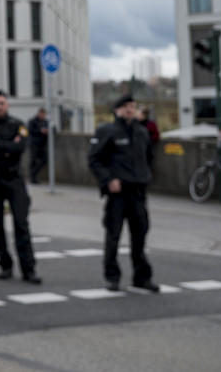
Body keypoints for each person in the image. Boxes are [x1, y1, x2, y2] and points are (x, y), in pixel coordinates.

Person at [87, 94, 159, 293]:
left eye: (132, 106)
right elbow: (94, 160)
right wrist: (108, 180)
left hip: (137, 191)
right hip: (118, 193)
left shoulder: (141, 132)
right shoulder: (107, 131)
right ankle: (112, 276)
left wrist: (145, 177)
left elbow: (149, 157)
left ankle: (142, 277)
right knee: (113, 236)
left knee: (140, 236)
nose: (129, 109)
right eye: (125, 106)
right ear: (117, 110)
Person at [0, 90, 41, 284]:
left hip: (14, 180)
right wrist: (5, 148)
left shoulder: (18, 125)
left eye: (2, 103)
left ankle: (28, 269)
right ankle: (5, 264)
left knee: (21, 224)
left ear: (7, 105)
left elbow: (20, 148)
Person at [27, 107, 49, 184]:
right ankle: (32, 177)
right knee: (33, 161)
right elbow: (29, 130)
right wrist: (40, 131)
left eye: (44, 114)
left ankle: (33, 174)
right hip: (34, 144)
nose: (43, 116)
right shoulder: (33, 121)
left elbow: (53, 128)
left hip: (42, 145)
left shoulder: (45, 122)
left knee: (44, 160)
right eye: (41, 114)